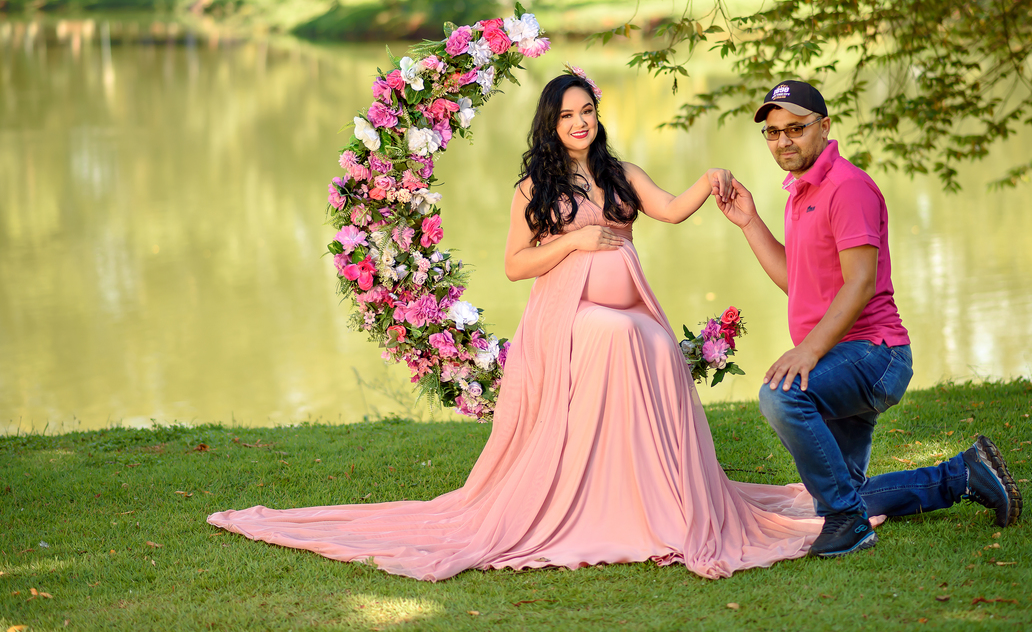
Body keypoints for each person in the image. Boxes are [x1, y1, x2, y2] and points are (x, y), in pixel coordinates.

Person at [208, 71, 838, 580]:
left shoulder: (620, 173)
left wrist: (710, 181)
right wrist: (576, 241)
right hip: (570, 318)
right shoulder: (535, 185)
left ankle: (662, 497)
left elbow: (670, 210)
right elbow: (515, 265)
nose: (579, 122)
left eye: (586, 111)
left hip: (629, 311)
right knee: (619, 335)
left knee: (653, 341)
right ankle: (604, 504)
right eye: (567, 115)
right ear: (550, 124)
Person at [716, 79, 1023, 559]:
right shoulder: (801, 192)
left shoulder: (847, 187)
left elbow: (859, 285)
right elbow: (796, 280)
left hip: (874, 355)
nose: (783, 141)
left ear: (824, 126)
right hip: (842, 356)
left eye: (795, 128)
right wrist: (750, 221)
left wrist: (808, 351)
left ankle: (848, 524)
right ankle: (964, 474)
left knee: (782, 396)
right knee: (841, 492)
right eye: (773, 132)